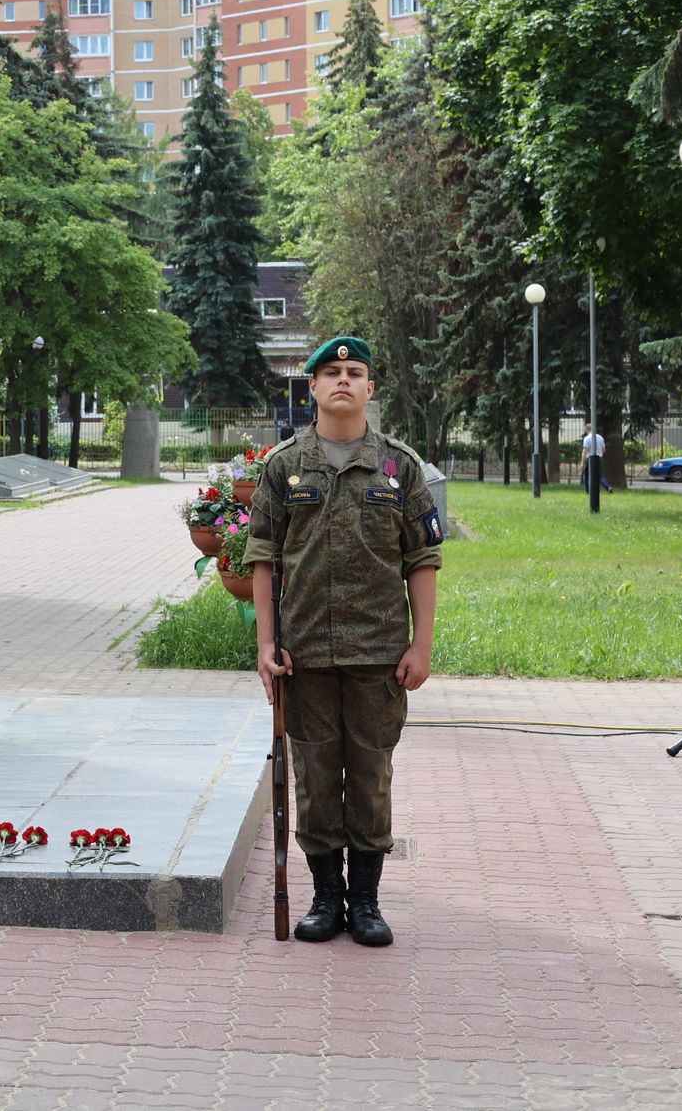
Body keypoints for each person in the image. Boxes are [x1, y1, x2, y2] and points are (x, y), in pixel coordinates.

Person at [243, 335, 442, 948]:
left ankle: (367, 902)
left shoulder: (399, 467)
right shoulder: (284, 466)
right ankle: (327, 898)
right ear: (312, 387)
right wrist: (267, 645)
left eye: (355, 372)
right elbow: (264, 558)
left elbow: (422, 559)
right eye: (331, 372)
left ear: (370, 388)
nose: (343, 380)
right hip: (304, 654)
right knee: (316, 778)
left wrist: (422, 645)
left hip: (379, 655)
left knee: (372, 777)